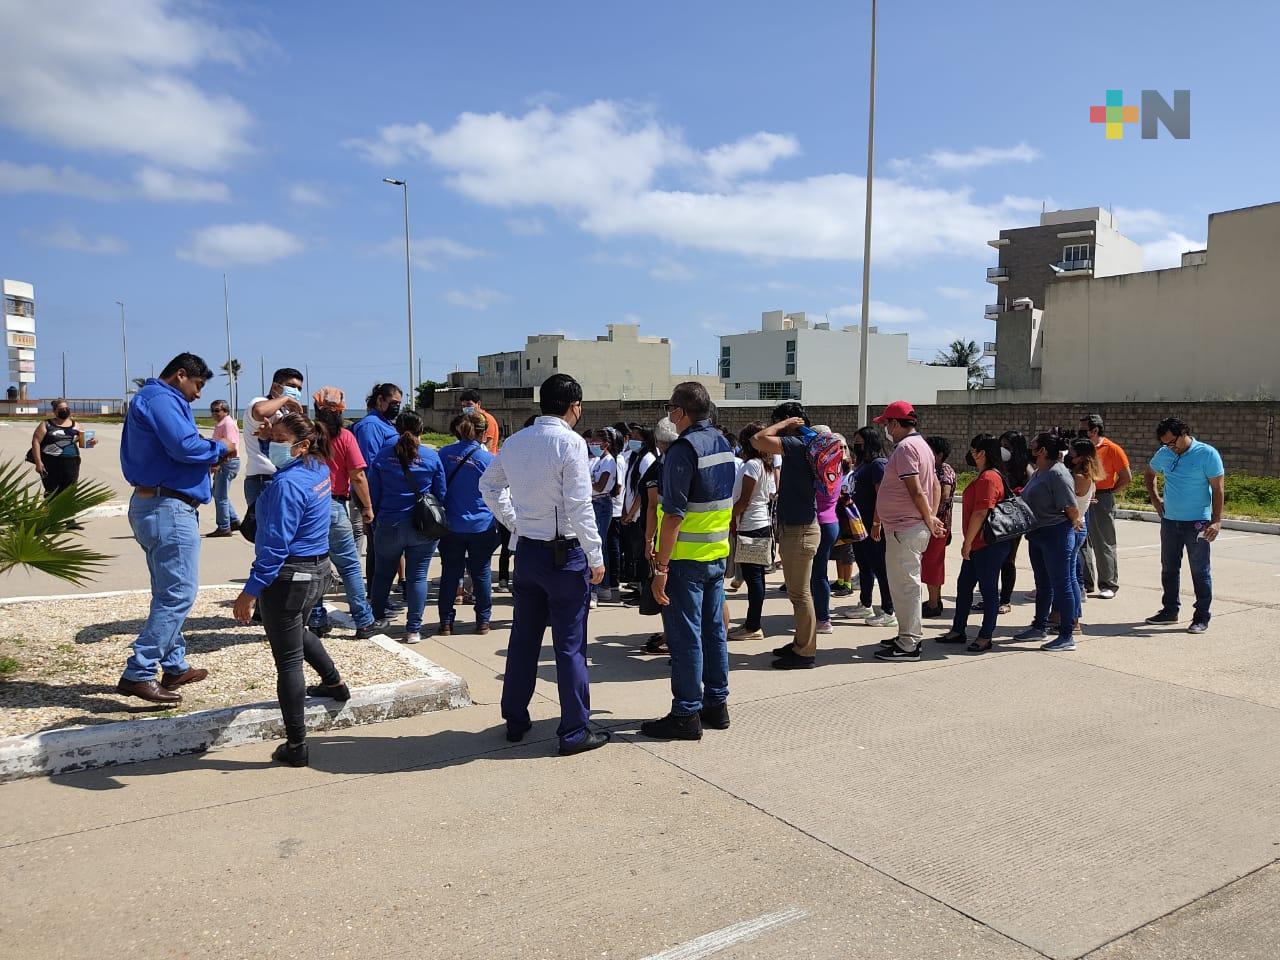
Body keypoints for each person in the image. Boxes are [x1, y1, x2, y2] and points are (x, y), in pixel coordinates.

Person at [479, 373, 610, 755]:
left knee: (523, 638)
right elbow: (580, 504)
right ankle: (573, 731)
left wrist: (515, 522)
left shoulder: (516, 442)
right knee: (569, 645)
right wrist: (595, 554)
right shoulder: (571, 444)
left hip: (529, 551)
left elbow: (488, 486)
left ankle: (515, 719)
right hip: (564, 554)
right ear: (575, 406)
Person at [231, 411, 349, 767]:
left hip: (288, 576)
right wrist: (266, 429)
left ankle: (296, 745)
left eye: (279, 440)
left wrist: (249, 592)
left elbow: (274, 548)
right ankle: (334, 684)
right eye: (270, 439)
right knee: (296, 629)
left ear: (300, 446)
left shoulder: (286, 485)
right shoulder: (317, 470)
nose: (272, 443)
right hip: (317, 571)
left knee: (288, 661)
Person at [116, 353, 227, 703]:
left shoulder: (151, 398)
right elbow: (183, 446)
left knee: (167, 590)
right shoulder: (163, 399)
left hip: (159, 504)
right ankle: (139, 671)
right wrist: (220, 447)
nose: (198, 395)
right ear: (181, 375)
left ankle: (175, 665)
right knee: (178, 594)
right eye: (197, 385)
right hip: (168, 507)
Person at [644, 382, 735, 740]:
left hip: (685, 560)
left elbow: (674, 515)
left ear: (680, 412)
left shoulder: (683, 449)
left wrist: (660, 569)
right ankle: (717, 704)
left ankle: (685, 714)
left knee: (685, 638)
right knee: (714, 634)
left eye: (670, 408)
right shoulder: (723, 443)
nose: (669, 415)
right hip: (715, 554)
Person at [871, 401, 943, 662]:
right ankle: (906, 635)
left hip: (905, 527)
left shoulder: (905, 448)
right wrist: (930, 516)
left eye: (887, 424)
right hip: (909, 526)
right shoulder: (922, 446)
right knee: (904, 586)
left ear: (894, 423)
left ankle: (909, 643)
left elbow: (916, 489)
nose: (886, 430)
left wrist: (928, 518)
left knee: (905, 588)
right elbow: (934, 484)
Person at [309, 404, 387, 639]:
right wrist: (367, 506)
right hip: (334, 503)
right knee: (349, 566)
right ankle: (363, 620)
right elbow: (358, 475)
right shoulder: (345, 437)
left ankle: (316, 618)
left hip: (309, 505)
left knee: (316, 564)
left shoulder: (309, 438)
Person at [751, 402, 820, 669]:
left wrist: (785, 424)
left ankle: (805, 652)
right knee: (797, 593)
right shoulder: (808, 444)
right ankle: (801, 643)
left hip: (800, 530)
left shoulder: (798, 444)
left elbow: (758, 440)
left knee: (801, 594)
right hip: (799, 527)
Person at [366, 410, 446, 643]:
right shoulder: (431, 457)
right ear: (421, 430)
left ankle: (377, 619)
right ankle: (413, 629)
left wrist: (378, 518)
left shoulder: (382, 457)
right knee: (418, 577)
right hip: (422, 526)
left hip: (390, 522)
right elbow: (440, 493)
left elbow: (374, 494)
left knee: (383, 574)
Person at [1143, 417, 1224, 634]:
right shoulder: (1164, 454)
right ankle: (1169, 610)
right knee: (1169, 568)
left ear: (1184, 433)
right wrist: (1156, 500)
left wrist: (1216, 521)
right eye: (1166, 444)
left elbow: (1218, 489)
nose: (1171, 447)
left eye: (1173, 442)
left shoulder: (1206, 454)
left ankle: (1201, 616)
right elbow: (1149, 474)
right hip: (1170, 522)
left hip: (1198, 522)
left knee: (1200, 570)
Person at [936, 435, 1012, 652]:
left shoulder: (989, 478)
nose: (971, 453)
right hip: (981, 543)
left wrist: (967, 543)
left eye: (974, 450)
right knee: (964, 587)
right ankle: (958, 629)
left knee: (987, 590)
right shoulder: (988, 475)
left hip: (986, 544)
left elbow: (980, 512)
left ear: (982, 453)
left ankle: (986, 635)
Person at [1011, 433, 1085, 651]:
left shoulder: (1057, 473)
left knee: (1062, 585)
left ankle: (1066, 635)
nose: (1029, 447)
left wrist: (1074, 523)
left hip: (1056, 535)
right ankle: (1039, 626)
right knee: (1043, 584)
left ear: (1042, 450)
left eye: (1033, 445)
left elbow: (1070, 507)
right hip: (1038, 534)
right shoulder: (1039, 471)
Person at [437, 411, 499, 635]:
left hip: (451, 524)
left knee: (450, 573)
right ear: (482, 433)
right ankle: (483, 620)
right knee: (481, 572)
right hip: (481, 524)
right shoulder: (487, 460)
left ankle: (446, 621)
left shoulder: (444, 454)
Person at [350, 382, 403, 586]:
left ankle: (379, 593)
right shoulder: (370, 426)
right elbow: (367, 465)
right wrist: (369, 503)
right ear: (380, 400)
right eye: (394, 402)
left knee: (384, 546)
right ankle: (375, 594)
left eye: (399, 403)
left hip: (386, 492)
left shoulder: (385, 423)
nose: (397, 407)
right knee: (378, 547)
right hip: (374, 493)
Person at [728, 422, 774, 642]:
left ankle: (753, 625)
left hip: (751, 527)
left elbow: (744, 501)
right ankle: (752, 623)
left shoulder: (751, 466)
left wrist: (726, 518)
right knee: (757, 577)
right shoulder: (764, 464)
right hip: (760, 524)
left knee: (753, 577)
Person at [1078, 414, 1131, 599]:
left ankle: (1108, 583)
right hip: (1082, 496)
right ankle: (1085, 582)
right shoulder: (1080, 449)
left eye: (1084, 429)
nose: (1080, 433)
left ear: (1095, 430)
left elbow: (1126, 477)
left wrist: (1108, 492)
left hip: (1101, 497)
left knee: (1103, 541)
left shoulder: (1112, 449)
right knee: (1081, 542)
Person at [638, 418, 677, 654]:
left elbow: (653, 506)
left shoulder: (661, 465)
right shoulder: (696, 460)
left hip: (668, 537)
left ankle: (673, 639)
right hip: (706, 543)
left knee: (666, 594)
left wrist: (649, 539)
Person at [847, 427, 894, 625]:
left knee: (880, 569)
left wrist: (877, 523)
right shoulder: (862, 464)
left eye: (859, 440)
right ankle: (865, 604)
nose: (856, 444)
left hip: (872, 526)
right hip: (859, 525)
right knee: (865, 566)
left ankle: (888, 611)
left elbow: (882, 497)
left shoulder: (878, 465)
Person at [243, 368, 305, 511]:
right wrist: (286, 398)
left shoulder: (285, 411)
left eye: (299, 388)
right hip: (262, 479)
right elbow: (260, 411)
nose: (296, 391)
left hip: (281, 476)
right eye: (292, 386)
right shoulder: (261, 401)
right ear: (276, 386)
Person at [30, 399, 95, 520]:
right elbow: (36, 441)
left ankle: (69, 519)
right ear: (54, 412)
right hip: (50, 462)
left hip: (71, 462)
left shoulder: (76, 425)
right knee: (51, 490)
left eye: (66, 408)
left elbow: (83, 443)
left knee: (69, 490)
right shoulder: (46, 424)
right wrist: (38, 462)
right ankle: (51, 519)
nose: (65, 411)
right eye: (61, 409)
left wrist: (92, 442)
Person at [1068, 437, 1104, 629]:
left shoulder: (1080, 477)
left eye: (1071, 452)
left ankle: (1073, 619)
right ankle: (1071, 618)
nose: (1068, 455)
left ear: (1080, 456)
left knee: (1070, 577)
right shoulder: (1085, 475)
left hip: (1074, 527)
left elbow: (1068, 502)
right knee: (1071, 573)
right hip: (1079, 526)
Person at [808, 425, 840, 636]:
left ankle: (823, 618)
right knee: (819, 574)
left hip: (818, 523)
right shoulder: (836, 468)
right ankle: (821, 615)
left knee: (817, 575)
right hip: (831, 523)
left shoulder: (816, 470)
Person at [620, 425, 658, 596]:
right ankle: (638, 587)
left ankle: (645, 591)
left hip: (639, 514)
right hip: (631, 514)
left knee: (644, 554)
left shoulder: (648, 459)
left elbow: (643, 493)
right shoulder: (635, 459)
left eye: (636, 437)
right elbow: (629, 488)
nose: (632, 440)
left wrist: (630, 513)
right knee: (635, 553)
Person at [921, 436, 956, 618]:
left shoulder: (943, 471)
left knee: (932, 564)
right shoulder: (933, 469)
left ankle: (934, 604)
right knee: (933, 563)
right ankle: (935, 600)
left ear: (940, 454)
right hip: (935, 524)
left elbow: (944, 494)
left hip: (938, 525)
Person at [588, 427, 620, 606]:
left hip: (601, 503)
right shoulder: (593, 460)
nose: (592, 445)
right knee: (598, 545)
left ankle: (596, 590)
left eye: (596, 442)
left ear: (605, 444)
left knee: (597, 544)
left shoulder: (609, 461)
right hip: (592, 502)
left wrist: (587, 480)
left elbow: (600, 486)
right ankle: (602, 586)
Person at [207, 399, 241, 537]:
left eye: (217, 410)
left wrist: (218, 464)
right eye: (212, 410)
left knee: (220, 495)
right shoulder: (221, 424)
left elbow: (230, 447)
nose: (214, 413)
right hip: (225, 462)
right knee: (220, 493)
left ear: (225, 411)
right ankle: (233, 520)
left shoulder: (227, 424)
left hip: (228, 462)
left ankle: (224, 526)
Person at [459, 388, 500, 454]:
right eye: (463, 406)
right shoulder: (468, 419)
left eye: (469, 405)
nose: (466, 408)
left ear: (478, 403)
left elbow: (488, 446)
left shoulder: (487, 419)